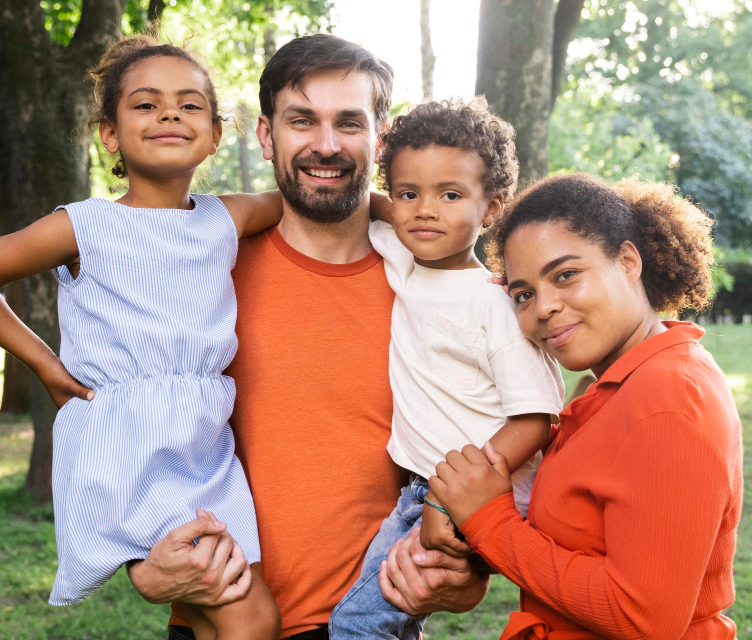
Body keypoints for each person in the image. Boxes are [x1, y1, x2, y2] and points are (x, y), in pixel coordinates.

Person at [127, 34, 491, 640]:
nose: (326, 145)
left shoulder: (436, 282)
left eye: (349, 122)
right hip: (216, 614)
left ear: (381, 137)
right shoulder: (200, 265)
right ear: (267, 135)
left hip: (366, 621)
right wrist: (140, 562)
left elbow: (489, 438)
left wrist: (469, 571)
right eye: (302, 121)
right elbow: (121, 420)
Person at [0, 35, 283, 640]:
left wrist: (393, 209)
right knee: (248, 615)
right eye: (146, 105)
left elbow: (313, 204)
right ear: (109, 133)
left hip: (206, 442)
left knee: (213, 615)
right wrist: (44, 365)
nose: (170, 115)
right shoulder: (85, 224)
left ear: (215, 134)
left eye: (190, 105)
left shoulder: (225, 216)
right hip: (131, 441)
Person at [430, 173, 744, 639]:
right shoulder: (608, 391)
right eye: (523, 294)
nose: (543, 308)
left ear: (628, 261)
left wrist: (488, 522)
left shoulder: (669, 399)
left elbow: (643, 620)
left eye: (566, 275)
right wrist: (473, 545)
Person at [328, 98, 564, 640]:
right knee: (391, 619)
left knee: (356, 626)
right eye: (410, 193)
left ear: (493, 208)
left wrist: (447, 500)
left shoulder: (494, 305)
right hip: (423, 489)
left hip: (465, 495)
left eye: (450, 195)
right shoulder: (402, 258)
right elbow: (366, 205)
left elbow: (537, 420)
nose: (425, 210)